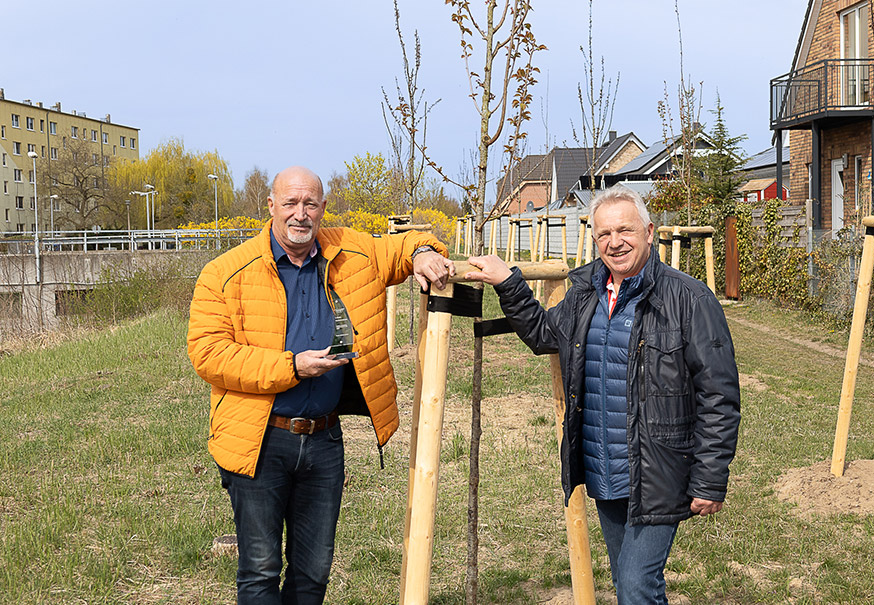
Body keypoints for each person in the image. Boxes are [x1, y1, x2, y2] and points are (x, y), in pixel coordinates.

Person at [187, 166, 454, 604]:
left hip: (324, 441)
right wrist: (291, 367)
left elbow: (404, 245)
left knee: (312, 574)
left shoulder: (353, 254)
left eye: (310, 203)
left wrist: (423, 251)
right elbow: (209, 354)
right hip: (259, 441)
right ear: (270, 207)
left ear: (323, 208)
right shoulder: (226, 273)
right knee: (259, 571)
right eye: (290, 203)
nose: (300, 214)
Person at [464, 184, 740, 604]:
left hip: (659, 470)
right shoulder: (584, 295)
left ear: (649, 232)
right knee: (628, 581)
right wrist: (508, 281)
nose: (615, 242)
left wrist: (709, 479)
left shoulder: (689, 299)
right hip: (604, 468)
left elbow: (719, 395)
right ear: (594, 240)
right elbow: (542, 334)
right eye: (604, 234)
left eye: (625, 230)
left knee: (635, 585)